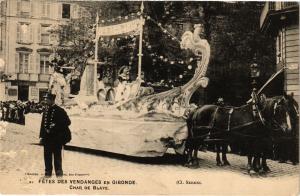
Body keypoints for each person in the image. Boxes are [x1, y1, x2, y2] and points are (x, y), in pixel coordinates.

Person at [39, 93, 71, 177]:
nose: (45, 101)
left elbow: (68, 122)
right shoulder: (45, 110)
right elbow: (43, 125)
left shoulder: (60, 110)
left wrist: (56, 125)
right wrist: (42, 136)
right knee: (47, 157)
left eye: (47, 99)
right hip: (47, 139)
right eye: (45, 99)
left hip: (56, 139)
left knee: (57, 157)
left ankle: (59, 174)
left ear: (52, 100)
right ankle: (48, 173)